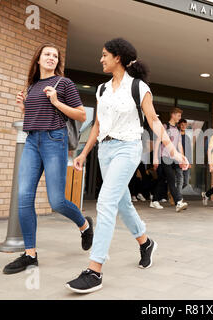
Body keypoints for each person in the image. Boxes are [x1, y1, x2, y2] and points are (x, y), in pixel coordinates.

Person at [66, 38, 189, 293]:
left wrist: (174, 151)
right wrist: (83, 153)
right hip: (105, 151)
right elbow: (97, 126)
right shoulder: (101, 90)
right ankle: (146, 243)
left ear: (118, 58)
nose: (101, 59)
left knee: (105, 201)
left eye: (104, 55)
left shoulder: (138, 87)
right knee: (122, 203)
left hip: (128, 148)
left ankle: (94, 270)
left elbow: (154, 121)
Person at [3, 43, 93, 275]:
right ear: (38, 59)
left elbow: (82, 115)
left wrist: (56, 102)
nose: (51, 58)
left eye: (55, 55)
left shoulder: (64, 84)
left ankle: (84, 225)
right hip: (32, 142)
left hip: (55, 141)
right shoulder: (32, 86)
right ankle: (30, 254)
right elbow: (33, 117)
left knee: (57, 201)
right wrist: (24, 106)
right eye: (47, 54)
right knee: (24, 197)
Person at [150, 108, 188, 212]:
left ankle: (154, 200)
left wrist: (182, 158)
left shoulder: (177, 129)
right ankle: (179, 201)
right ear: (173, 115)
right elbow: (157, 142)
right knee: (171, 179)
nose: (180, 118)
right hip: (165, 157)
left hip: (174, 158)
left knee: (163, 179)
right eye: (179, 116)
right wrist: (155, 158)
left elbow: (179, 144)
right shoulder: (165, 126)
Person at [176, 119, 192, 196]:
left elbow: (189, 151)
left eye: (185, 125)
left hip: (186, 162)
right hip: (178, 160)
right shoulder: (176, 136)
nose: (183, 126)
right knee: (179, 180)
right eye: (182, 125)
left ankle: (175, 193)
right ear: (179, 125)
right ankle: (177, 197)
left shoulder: (187, 138)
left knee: (186, 182)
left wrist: (190, 162)